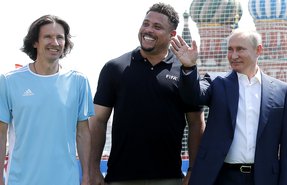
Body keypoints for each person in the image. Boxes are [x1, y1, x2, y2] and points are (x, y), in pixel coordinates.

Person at [89, 3, 205, 185]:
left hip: (170, 178)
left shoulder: (185, 71)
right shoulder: (114, 68)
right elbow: (98, 120)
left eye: (157, 27)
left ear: (172, 35)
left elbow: (196, 124)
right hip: (120, 178)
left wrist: (193, 170)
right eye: (146, 24)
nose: (148, 30)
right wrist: (93, 169)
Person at [170, 29, 287, 185]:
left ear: (258, 50)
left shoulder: (281, 90)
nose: (233, 55)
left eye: (240, 49)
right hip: (221, 177)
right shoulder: (216, 82)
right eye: (230, 49)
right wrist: (189, 68)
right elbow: (193, 96)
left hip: (264, 178)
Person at [0, 15, 94, 185]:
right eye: (48, 37)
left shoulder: (79, 82)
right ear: (35, 42)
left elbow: (83, 132)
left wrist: (86, 176)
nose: (55, 42)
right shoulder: (8, 81)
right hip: (21, 180)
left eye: (60, 37)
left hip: (66, 180)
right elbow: (1, 134)